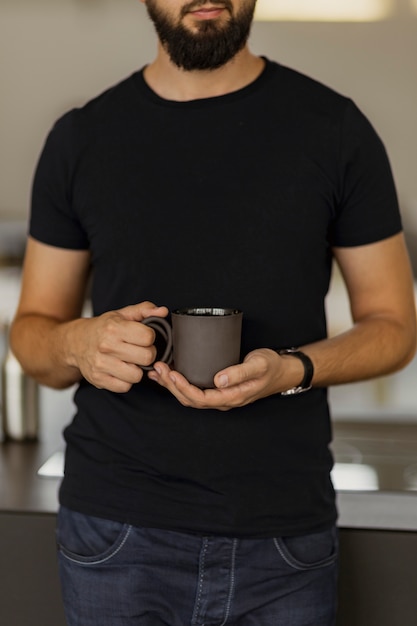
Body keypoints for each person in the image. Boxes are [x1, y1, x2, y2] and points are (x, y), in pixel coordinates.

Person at [10, 0, 417, 624]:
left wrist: (291, 370)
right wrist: (78, 344)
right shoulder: (81, 138)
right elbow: (34, 333)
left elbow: (394, 326)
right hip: (115, 532)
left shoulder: (334, 129)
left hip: (284, 536)